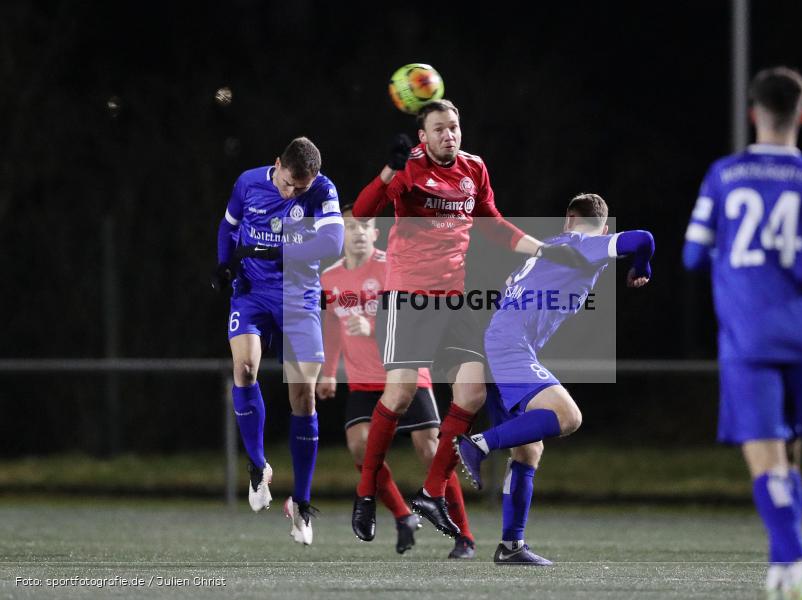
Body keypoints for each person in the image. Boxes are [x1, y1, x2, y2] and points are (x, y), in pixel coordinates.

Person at [350, 99, 589, 553]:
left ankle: (432, 492)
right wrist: (387, 171)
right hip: (409, 297)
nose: (450, 135)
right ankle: (365, 495)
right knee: (399, 396)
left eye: (454, 127)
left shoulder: (474, 168)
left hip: (454, 299)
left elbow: (493, 224)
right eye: (439, 128)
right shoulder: (408, 168)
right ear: (423, 136)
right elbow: (362, 212)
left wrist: (544, 251)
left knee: (473, 392)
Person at [682, 67, 802, 599]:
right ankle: (782, 568)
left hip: (749, 334)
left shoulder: (723, 174)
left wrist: (736, 269)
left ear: (753, 113)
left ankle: (795, 560)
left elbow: (691, 255)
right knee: (793, 453)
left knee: (766, 457)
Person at [455, 193, 654, 565]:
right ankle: (479, 444)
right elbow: (643, 239)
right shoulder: (585, 243)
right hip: (509, 346)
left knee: (529, 449)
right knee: (568, 417)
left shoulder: (546, 250)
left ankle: (511, 547)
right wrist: (641, 267)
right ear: (603, 228)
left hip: (499, 340)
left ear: (566, 219)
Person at [317, 205, 474, 557]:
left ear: (376, 233)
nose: (358, 232)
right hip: (362, 381)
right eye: (351, 227)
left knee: (431, 451)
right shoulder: (329, 279)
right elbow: (330, 325)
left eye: (366, 226)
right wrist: (328, 370)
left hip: (406, 374)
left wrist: (372, 327)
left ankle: (464, 535)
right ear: (339, 235)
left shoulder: (393, 267)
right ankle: (403, 516)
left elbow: (414, 316)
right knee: (359, 446)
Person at [211, 136, 343, 546]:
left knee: (303, 396)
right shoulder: (248, 182)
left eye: (299, 188)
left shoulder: (323, 189)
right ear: (276, 166)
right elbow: (228, 228)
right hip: (251, 292)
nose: (291, 192)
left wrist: (282, 248)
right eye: (287, 183)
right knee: (245, 368)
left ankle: (301, 503)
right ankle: (257, 467)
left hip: (299, 296)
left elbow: (333, 242)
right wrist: (222, 264)